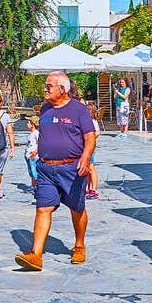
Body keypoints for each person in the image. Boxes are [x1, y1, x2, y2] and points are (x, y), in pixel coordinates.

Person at [15, 71, 96, 271]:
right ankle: (36, 255)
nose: (45, 88)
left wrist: (85, 158)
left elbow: (90, 137)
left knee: (77, 209)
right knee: (43, 208)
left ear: (62, 89)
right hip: (45, 169)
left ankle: (79, 245)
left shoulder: (79, 110)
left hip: (72, 168)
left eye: (49, 85)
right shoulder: (44, 110)